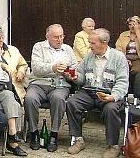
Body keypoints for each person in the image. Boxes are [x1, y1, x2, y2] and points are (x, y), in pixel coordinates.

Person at [66, 28, 128, 158]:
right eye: (90, 42)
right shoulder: (89, 56)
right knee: (72, 102)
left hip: (109, 94)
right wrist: (73, 76)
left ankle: (113, 145)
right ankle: (78, 139)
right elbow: (81, 77)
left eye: (93, 43)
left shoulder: (118, 58)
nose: (90, 46)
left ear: (104, 43)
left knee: (111, 109)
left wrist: (113, 96)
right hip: (89, 93)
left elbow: (123, 82)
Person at [25, 24, 77, 152]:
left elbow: (75, 71)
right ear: (47, 36)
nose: (60, 40)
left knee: (58, 98)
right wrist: (52, 68)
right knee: (29, 98)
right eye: (56, 37)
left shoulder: (68, 49)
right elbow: (36, 68)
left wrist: (67, 72)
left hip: (60, 84)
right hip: (39, 83)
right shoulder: (39, 47)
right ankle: (34, 133)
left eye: (61, 36)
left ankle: (54, 134)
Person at [0, 26, 28, 104]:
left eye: (2, 37)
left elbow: (23, 64)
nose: (1, 40)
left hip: (16, 89)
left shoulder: (13, 50)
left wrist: (21, 72)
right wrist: (2, 65)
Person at [115, 15, 140, 94]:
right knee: (121, 70)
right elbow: (118, 48)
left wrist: (138, 32)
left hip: (137, 59)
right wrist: (124, 59)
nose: (132, 26)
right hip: (125, 58)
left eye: (134, 24)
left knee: (135, 71)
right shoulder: (123, 35)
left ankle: (131, 91)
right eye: (130, 24)